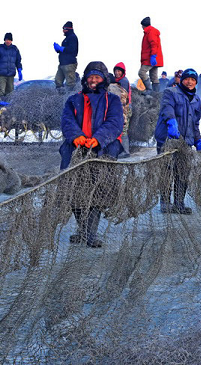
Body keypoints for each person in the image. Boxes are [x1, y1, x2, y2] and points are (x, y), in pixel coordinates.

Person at [60, 61, 124, 247]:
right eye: (91, 77)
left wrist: (97, 139)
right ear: (86, 80)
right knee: (75, 192)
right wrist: (76, 137)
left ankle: (91, 234)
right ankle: (83, 229)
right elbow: (67, 121)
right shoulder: (73, 100)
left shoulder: (112, 100)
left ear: (103, 79)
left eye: (97, 77)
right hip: (75, 151)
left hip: (101, 151)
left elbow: (114, 123)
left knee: (97, 193)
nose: (94, 80)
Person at [154, 68, 201, 214]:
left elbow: (195, 123)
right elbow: (167, 108)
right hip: (167, 139)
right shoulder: (170, 92)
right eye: (187, 79)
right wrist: (172, 123)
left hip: (185, 142)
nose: (189, 82)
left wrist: (199, 141)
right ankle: (165, 203)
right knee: (166, 171)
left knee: (183, 173)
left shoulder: (197, 100)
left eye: (193, 79)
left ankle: (179, 203)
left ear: (196, 82)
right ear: (182, 80)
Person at [0, 32, 23, 97]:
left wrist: (19, 70)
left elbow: (18, 61)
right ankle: (0, 106)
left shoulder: (15, 49)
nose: (8, 41)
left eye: (9, 40)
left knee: (10, 93)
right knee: (0, 92)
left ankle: (9, 107)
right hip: (1, 74)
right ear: (4, 40)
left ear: (11, 40)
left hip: (11, 75)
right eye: (7, 39)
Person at [112, 62, 132, 158]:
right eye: (116, 71)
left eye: (119, 71)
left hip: (125, 108)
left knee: (123, 129)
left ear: (123, 72)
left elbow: (123, 96)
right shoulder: (117, 81)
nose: (117, 73)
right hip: (120, 108)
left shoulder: (123, 81)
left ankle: (126, 151)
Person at [139, 16, 164, 92]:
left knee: (141, 72)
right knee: (154, 76)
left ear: (144, 25)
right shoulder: (150, 31)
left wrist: (153, 55)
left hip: (150, 58)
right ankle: (156, 94)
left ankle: (149, 90)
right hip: (153, 58)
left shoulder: (150, 32)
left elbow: (153, 44)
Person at [53, 21, 79, 93]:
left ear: (68, 29)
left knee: (70, 83)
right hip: (62, 63)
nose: (63, 31)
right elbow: (64, 51)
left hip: (69, 64)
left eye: (64, 29)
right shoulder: (66, 39)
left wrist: (61, 48)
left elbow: (72, 49)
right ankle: (60, 96)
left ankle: (71, 97)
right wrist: (58, 49)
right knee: (58, 81)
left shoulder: (72, 37)